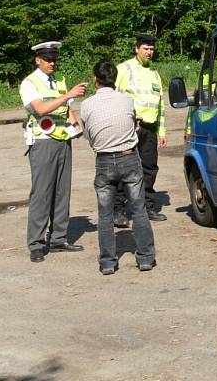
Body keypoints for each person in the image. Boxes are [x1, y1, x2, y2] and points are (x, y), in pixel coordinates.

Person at [79, 61, 156, 275]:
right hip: (129, 157)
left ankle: (107, 262)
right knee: (138, 209)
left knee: (105, 214)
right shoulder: (127, 99)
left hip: (103, 160)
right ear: (114, 79)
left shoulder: (86, 105)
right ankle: (146, 258)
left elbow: (87, 134)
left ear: (95, 79)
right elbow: (134, 124)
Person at [20, 41, 87, 263]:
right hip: (42, 142)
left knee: (62, 192)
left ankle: (58, 238)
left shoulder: (59, 80)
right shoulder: (29, 83)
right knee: (42, 193)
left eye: (54, 58)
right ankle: (36, 244)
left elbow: (66, 109)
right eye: (47, 59)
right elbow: (40, 109)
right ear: (37, 59)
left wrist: (76, 127)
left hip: (62, 141)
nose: (52, 62)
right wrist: (68, 95)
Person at [114, 34, 168, 226]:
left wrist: (161, 131)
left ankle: (147, 206)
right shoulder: (123, 69)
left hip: (150, 129)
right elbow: (112, 97)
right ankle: (118, 211)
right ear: (136, 49)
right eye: (145, 48)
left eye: (152, 49)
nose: (149, 52)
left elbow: (160, 105)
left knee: (149, 168)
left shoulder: (155, 73)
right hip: (129, 128)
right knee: (123, 169)